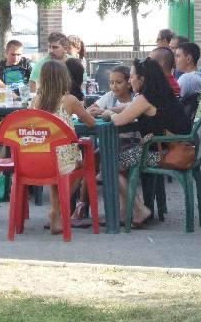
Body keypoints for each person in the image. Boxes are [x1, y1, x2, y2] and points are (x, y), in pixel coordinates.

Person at [111, 57, 187, 228]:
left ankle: (139, 209)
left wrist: (110, 115)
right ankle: (126, 211)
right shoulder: (161, 94)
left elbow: (119, 121)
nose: (130, 80)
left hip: (159, 154)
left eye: (131, 77)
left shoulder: (144, 99)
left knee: (109, 164)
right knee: (119, 160)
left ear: (142, 79)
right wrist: (109, 109)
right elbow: (129, 108)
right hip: (175, 149)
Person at [30, 59, 96, 234]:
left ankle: (56, 216)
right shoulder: (69, 100)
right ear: (64, 79)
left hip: (40, 158)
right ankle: (57, 211)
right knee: (82, 165)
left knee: (55, 176)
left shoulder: (36, 100)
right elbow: (91, 123)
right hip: (64, 159)